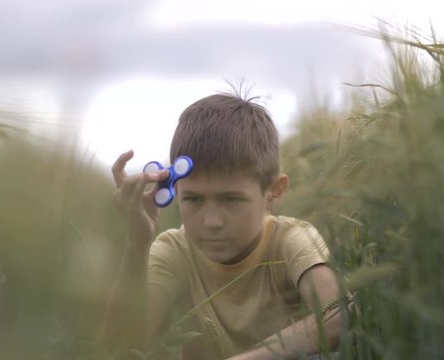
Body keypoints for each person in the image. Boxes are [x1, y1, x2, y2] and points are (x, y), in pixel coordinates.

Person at [101, 92, 344, 359]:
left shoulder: (291, 239)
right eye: (193, 199)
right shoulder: (174, 251)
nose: (211, 222)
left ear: (274, 190)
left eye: (231, 199)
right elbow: (119, 349)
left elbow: (338, 317)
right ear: (173, 190)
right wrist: (137, 244)